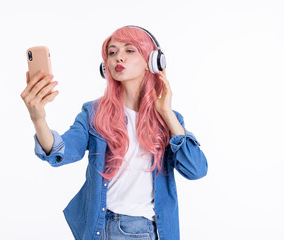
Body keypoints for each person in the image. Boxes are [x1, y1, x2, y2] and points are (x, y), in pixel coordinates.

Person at [20, 25, 208, 240]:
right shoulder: (93, 113)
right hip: (103, 226)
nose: (119, 57)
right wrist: (38, 119)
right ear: (105, 66)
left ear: (153, 62)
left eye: (130, 50)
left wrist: (166, 112)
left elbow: (196, 170)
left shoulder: (170, 120)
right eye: (112, 52)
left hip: (150, 230)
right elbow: (63, 150)